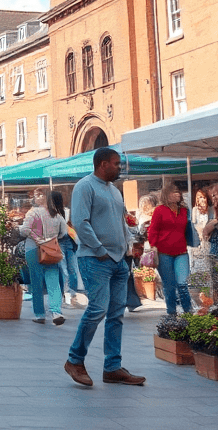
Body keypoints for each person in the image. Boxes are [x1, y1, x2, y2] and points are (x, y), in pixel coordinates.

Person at [64, 147, 145, 387]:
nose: (119, 167)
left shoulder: (115, 191)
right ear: (102, 164)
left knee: (116, 314)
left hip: (118, 260)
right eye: (116, 163)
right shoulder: (85, 186)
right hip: (95, 258)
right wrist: (100, 250)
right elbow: (80, 223)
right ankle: (74, 360)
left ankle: (112, 367)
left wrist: (130, 242)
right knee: (98, 309)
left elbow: (121, 222)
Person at [21, 187, 67, 325]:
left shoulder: (33, 213)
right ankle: (56, 312)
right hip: (51, 249)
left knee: (36, 282)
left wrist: (37, 238)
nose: (36, 197)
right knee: (53, 281)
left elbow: (24, 230)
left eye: (38, 195)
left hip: (33, 249)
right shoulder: (56, 215)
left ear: (43, 197)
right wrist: (50, 238)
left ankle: (40, 314)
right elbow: (63, 233)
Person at [147, 182, 193, 315]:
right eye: (174, 192)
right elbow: (153, 230)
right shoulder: (159, 210)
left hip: (181, 252)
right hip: (163, 253)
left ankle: (188, 312)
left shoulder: (184, 211)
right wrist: (153, 246)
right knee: (169, 285)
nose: (178, 194)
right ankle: (171, 313)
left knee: (183, 283)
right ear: (167, 195)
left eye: (178, 192)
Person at [52, 190, 85, 308]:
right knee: (68, 269)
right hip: (64, 241)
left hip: (65, 241)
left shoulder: (61, 212)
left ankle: (70, 296)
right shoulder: (58, 213)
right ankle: (69, 296)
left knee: (68, 270)